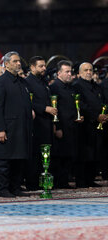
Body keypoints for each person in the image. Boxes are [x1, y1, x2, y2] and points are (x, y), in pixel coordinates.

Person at [0, 51, 33, 198]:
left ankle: (15, 187)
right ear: (7, 64)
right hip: (8, 128)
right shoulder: (0, 82)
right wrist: (0, 129)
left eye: (19, 61)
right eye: (15, 61)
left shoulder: (22, 82)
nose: (18, 64)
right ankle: (3, 189)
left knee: (18, 159)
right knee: (4, 161)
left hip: (21, 127)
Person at [50, 60, 83, 188]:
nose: (70, 74)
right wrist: (56, 127)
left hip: (72, 126)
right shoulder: (54, 87)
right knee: (60, 156)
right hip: (61, 126)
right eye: (67, 71)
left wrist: (79, 116)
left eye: (71, 71)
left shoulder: (71, 87)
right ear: (59, 73)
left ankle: (64, 181)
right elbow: (55, 108)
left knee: (68, 155)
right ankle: (59, 182)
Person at [72, 62, 107, 187]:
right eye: (85, 70)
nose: (88, 72)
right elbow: (81, 105)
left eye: (90, 70)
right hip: (84, 125)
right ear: (80, 73)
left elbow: (102, 102)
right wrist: (95, 116)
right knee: (84, 154)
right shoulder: (76, 86)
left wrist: (104, 114)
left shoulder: (97, 87)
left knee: (95, 153)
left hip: (97, 125)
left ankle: (90, 178)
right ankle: (81, 181)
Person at [25, 56, 56, 191]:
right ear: (32, 67)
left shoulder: (44, 82)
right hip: (36, 123)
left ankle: (43, 181)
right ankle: (32, 183)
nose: (44, 68)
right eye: (41, 66)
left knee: (46, 154)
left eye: (44, 66)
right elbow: (28, 102)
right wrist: (44, 108)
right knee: (35, 155)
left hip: (47, 123)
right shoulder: (27, 82)